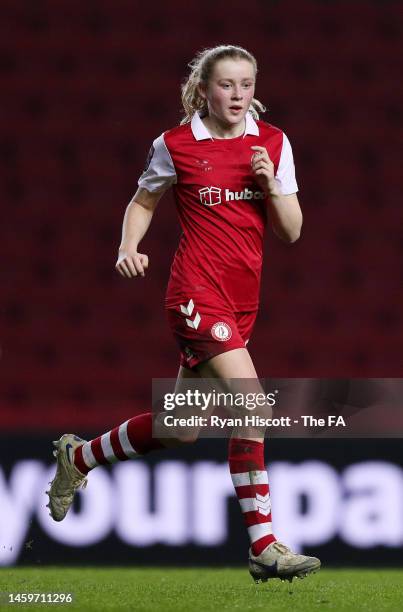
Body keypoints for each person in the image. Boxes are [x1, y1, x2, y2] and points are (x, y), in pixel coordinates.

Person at [46, 44, 321, 583]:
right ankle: (264, 547)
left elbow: (291, 231)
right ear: (204, 90)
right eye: (226, 85)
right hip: (195, 294)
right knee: (254, 407)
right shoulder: (175, 145)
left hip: (243, 300)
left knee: (180, 428)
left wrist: (268, 183)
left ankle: (78, 459)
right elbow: (144, 200)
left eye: (246, 84)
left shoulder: (272, 143)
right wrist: (128, 248)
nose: (237, 95)